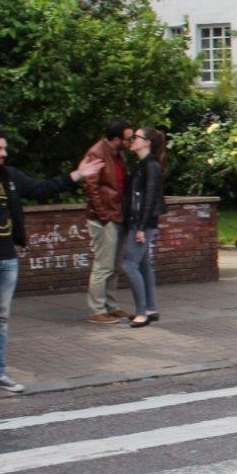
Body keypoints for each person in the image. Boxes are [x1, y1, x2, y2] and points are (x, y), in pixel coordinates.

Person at [0, 126, 103, 395]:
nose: (4, 153)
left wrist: (77, 175)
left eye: (4, 148)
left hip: (7, 259)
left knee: (0, 319)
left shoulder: (9, 177)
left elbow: (42, 188)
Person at [82, 119, 134, 324]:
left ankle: (111, 306)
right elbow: (91, 188)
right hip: (105, 218)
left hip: (118, 215)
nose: (131, 142)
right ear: (116, 139)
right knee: (103, 265)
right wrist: (103, 216)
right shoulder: (97, 153)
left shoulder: (118, 154)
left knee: (114, 265)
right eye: (128, 138)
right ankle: (96, 309)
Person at [121, 128, 166, 328]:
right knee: (144, 264)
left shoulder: (151, 166)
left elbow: (149, 200)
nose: (132, 140)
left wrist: (140, 227)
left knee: (129, 264)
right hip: (139, 221)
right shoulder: (141, 165)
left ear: (147, 142)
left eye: (137, 137)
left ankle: (142, 313)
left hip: (143, 222)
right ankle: (151, 308)